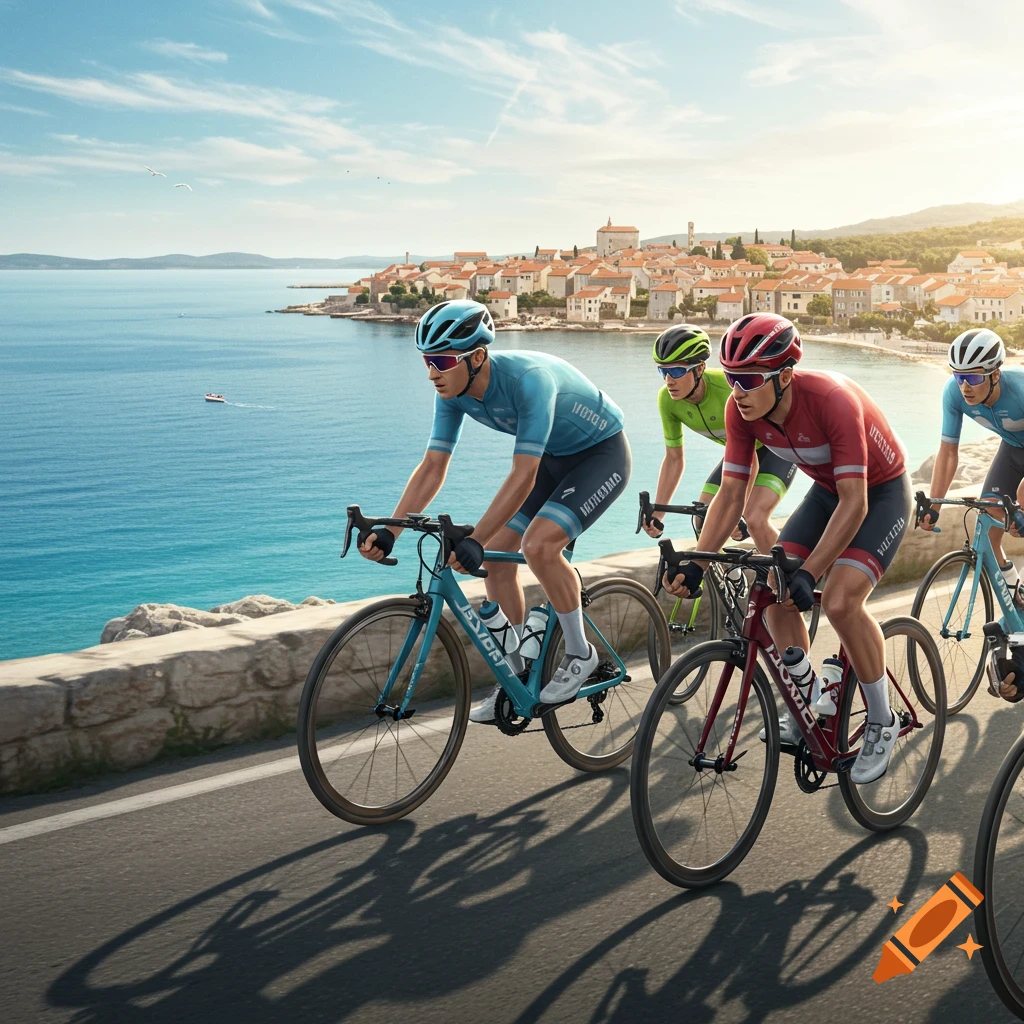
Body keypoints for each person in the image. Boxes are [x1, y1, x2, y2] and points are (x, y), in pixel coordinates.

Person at [663, 313, 912, 785]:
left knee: (840, 600)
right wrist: (697, 562)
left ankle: (883, 719)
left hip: (879, 493)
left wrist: (813, 571)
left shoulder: (832, 401)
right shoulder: (742, 412)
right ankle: (810, 700)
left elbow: (856, 503)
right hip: (826, 492)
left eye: (748, 380)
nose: (736, 390)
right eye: (731, 378)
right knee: (774, 594)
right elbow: (730, 494)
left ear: (783, 376)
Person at [358, 299, 630, 721]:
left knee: (539, 546)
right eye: (427, 360)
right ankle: (517, 675)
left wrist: (475, 540)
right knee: (498, 565)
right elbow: (432, 467)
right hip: (552, 462)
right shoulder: (452, 392)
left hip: (600, 455)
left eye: (443, 360)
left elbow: (523, 473)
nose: (432, 372)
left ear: (477, 356)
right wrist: (392, 529)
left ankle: (581, 653)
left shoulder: (528, 381)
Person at [919, 328, 1024, 699]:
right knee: (988, 521)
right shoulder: (955, 394)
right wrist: (934, 502)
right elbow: (948, 452)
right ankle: (1015, 587)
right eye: (958, 375)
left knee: (1020, 518)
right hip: (1013, 451)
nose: (964, 385)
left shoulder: (1021, 390)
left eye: (973, 376)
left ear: (995, 373)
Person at [644, 323, 796, 552]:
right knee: (702, 517)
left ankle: (791, 576)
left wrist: (739, 510)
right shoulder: (667, 400)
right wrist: (659, 512)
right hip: (741, 454)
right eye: (662, 371)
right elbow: (674, 459)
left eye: (676, 371)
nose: (668, 381)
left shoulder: (730, 390)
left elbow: (750, 457)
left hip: (777, 449)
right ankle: (732, 581)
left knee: (754, 518)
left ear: (699, 368)